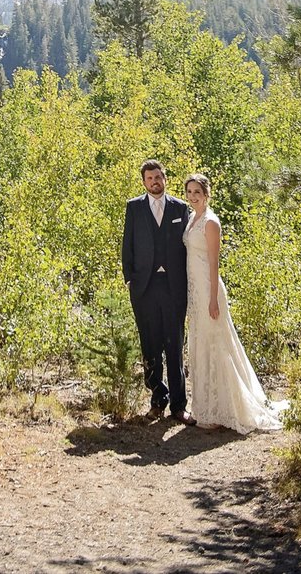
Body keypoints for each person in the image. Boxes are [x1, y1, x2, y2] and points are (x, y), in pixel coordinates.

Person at [181, 172, 282, 433]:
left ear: (206, 194)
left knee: (216, 344)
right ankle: (206, 406)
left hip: (209, 289)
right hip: (194, 290)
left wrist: (213, 298)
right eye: (189, 192)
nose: (193, 197)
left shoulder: (211, 222)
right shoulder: (193, 218)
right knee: (200, 343)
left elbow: (214, 264)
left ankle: (222, 408)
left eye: (197, 192)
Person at [121, 158, 192, 422]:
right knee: (149, 346)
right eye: (149, 178)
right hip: (145, 289)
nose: (154, 182)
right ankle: (157, 400)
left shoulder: (180, 207)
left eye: (158, 177)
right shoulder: (134, 208)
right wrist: (130, 278)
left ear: (165, 178)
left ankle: (179, 406)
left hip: (174, 288)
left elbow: (188, 247)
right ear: (144, 182)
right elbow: (127, 246)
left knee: (174, 346)